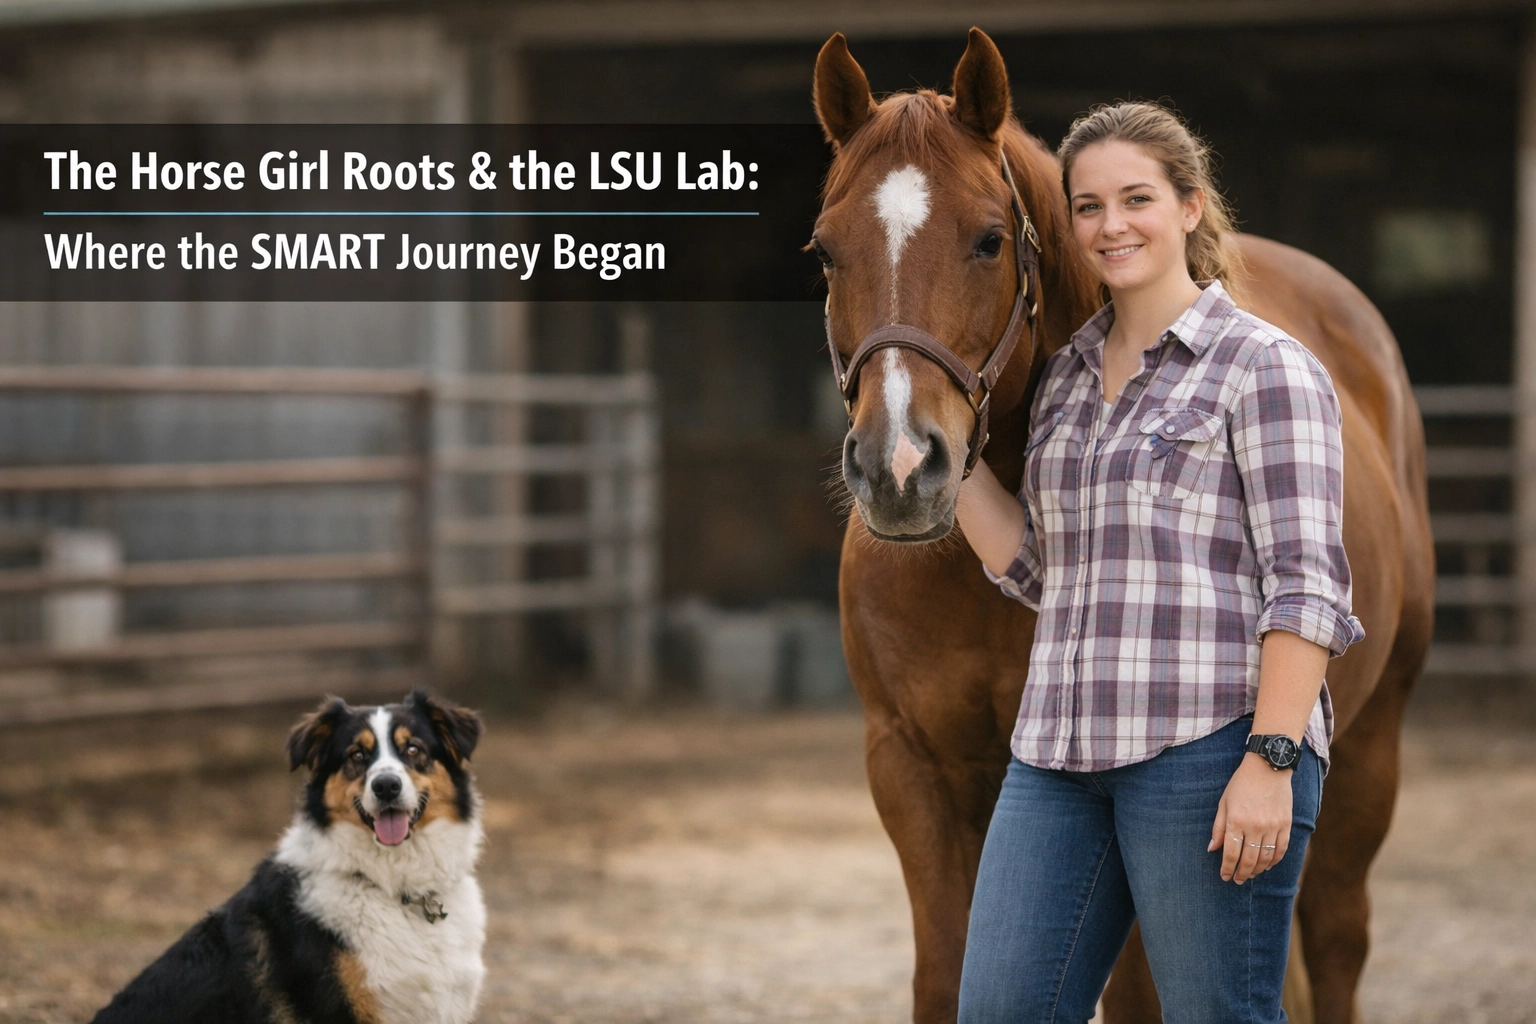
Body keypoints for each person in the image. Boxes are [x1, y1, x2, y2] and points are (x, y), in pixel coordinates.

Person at [954, 101, 1364, 1023]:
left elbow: (1309, 586)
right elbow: (1040, 573)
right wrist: (940, 460)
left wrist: (1271, 757)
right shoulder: (1066, 376)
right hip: (1056, 760)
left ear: (1189, 206)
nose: (1110, 225)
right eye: (1087, 207)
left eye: (1135, 199)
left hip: (1209, 751)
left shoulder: (1265, 367)